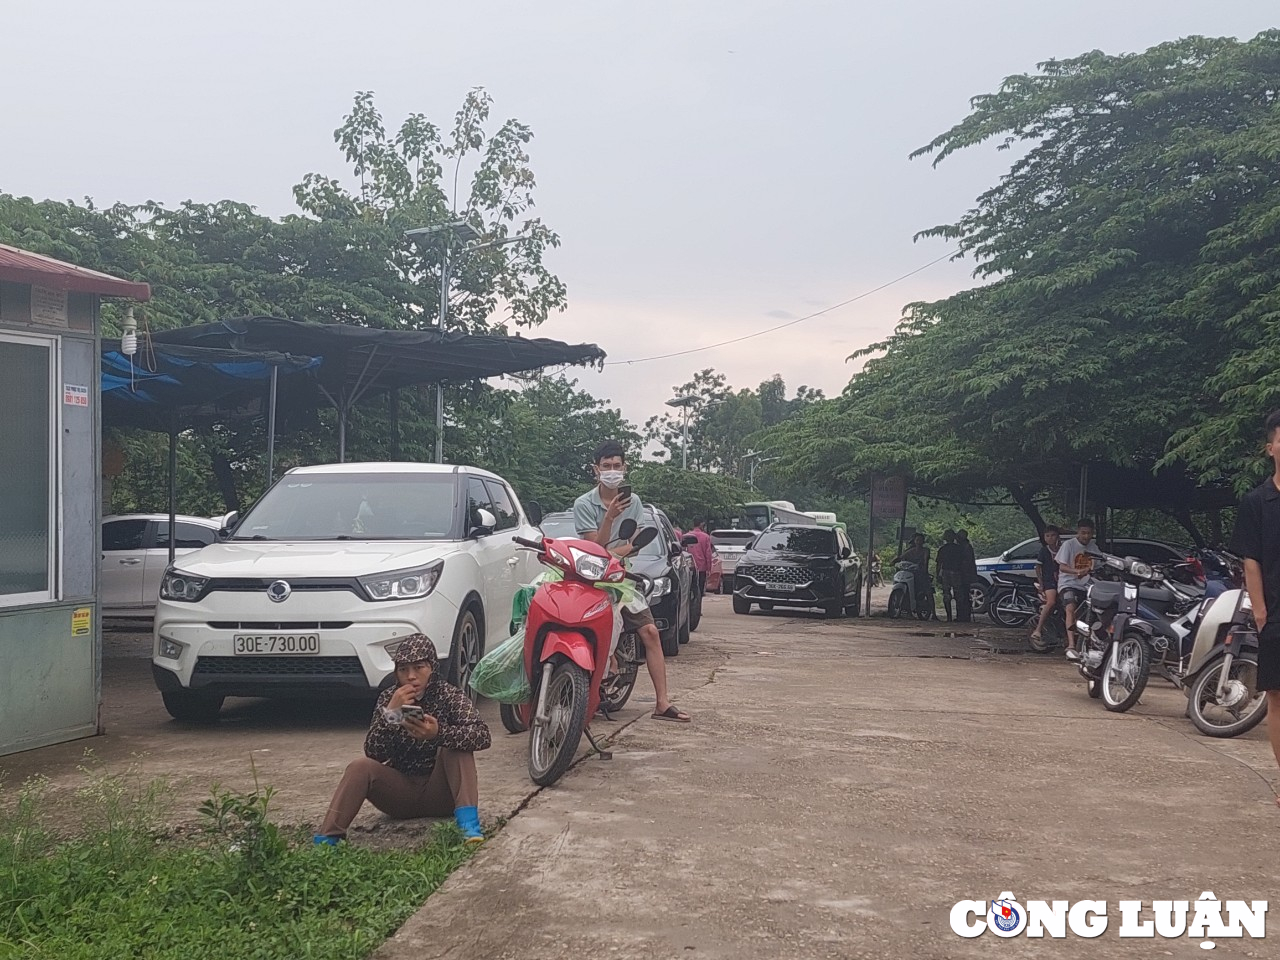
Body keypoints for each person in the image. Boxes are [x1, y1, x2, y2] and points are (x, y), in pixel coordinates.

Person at [314, 635, 491, 845]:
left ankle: (469, 829)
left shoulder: (450, 696)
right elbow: (374, 753)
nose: (411, 677)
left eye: (419, 668)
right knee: (359, 766)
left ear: (432, 667)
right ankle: (327, 839)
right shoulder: (389, 698)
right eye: (403, 669)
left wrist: (439, 733)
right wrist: (391, 715)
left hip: (442, 793)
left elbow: (482, 735)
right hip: (400, 794)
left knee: (456, 748)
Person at [573, 440, 691, 723]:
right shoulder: (583, 504)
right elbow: (594, 548)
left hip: (621, 578)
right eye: (606, 466)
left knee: (650, 631)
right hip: (591, 578)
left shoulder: (634, 502)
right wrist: (610, 518)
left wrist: (614, 552)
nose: (612, 471)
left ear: (625, 469)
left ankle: (662, 703)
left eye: (617, 466)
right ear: (595, 470)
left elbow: (635, 544)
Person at [1228, 409, 1280, 808]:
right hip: (1276, 615)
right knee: (1278, 698)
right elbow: (1252, 561)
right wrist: (1261, 613)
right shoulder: (1256, 502)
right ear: (1271, 448)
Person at [1055, 518, 1103, 661]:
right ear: (1078, 531)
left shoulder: (1094, 548)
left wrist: (1090, 570)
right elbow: (1062, 567)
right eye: (1083, 533)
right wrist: (1076, 571)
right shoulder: (1068, 545)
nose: (1086, 536)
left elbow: (1099, 564)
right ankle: (1071, 644)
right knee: (1070, 607)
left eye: (1089, 533)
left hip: (1087, 584)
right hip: (1068, 583)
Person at [1029, 525, 1062, 643]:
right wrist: (1041, 583)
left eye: (1053, 535)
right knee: (1051, 601)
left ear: (1057, 536)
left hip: (1063, 580)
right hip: (1049, 582)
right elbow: (1038, 567)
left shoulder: (1062, 549)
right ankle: (1038, 629)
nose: (1050, 538)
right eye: (1048, 536)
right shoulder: (1044, 551)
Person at [894, 533, 931, 614]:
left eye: (920, 540)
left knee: (927, 591)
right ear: (915, 541)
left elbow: (925, 560)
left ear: (923, 542)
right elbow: (901, 557)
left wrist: (924, 567)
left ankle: (933, 613)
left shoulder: (925, 550)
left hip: (921, 573)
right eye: (917, 540)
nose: (918, 542)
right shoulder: (911, 550)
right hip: (911, 572)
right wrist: (893, 562)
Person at [935, 530, 963, 622]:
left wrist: (937, 574)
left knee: (946, 594)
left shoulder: (943, 549)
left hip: (946, 573)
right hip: (957, 573)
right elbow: (963, 562)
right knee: (958, 594)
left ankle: (949, 617)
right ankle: (959, 616)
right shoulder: (959, 549)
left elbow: (939, 563)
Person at [954, 530, 977, 623]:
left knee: (962, 596)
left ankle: (964, 616)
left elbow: (966, 562)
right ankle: (962, 615)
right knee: (961, 595)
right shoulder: (964, 547)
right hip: (964, 575)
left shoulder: (966, 547)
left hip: (964, 575)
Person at [688, 519, 714, 599]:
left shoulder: (687, 536)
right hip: (701, 567)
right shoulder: (705, 537)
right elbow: (708, 554)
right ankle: (697, 608)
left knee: (689, 590)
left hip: (689, 567)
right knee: (699, 590)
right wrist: (709, 568)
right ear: (701, 524)